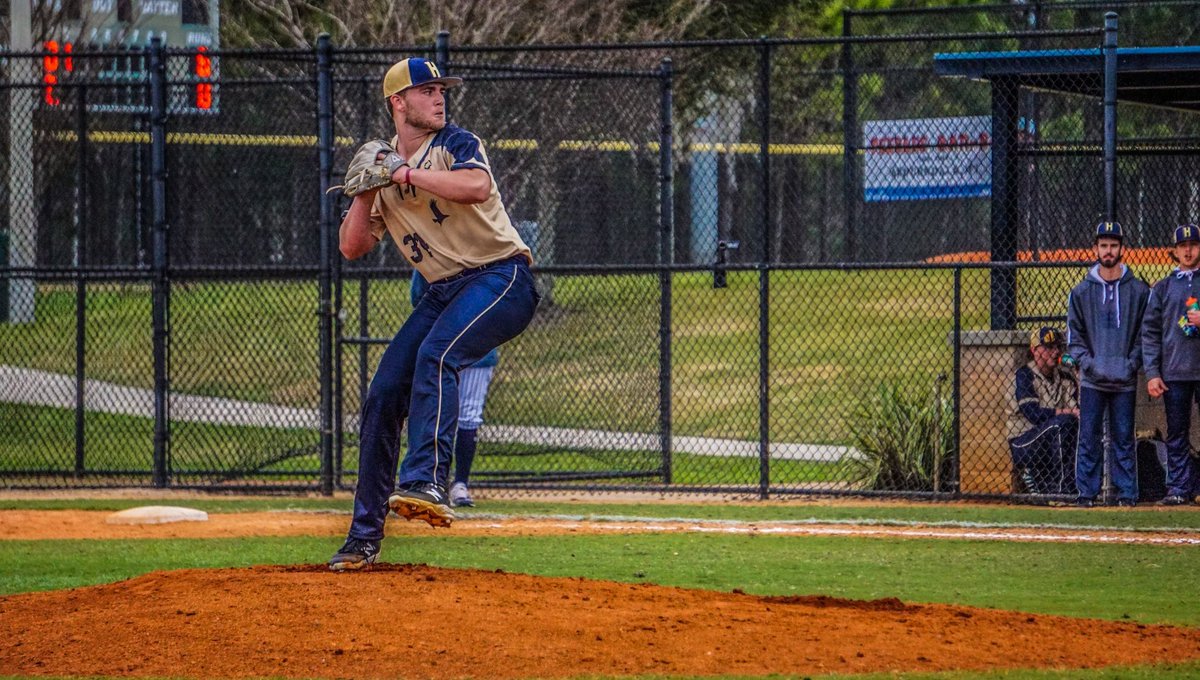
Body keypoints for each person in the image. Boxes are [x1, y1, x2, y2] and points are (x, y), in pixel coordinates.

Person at [329, 57, 539, 571]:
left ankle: (427, 479)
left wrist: (401, 172)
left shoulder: (455, 144)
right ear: (398, 102)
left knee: (437, 354)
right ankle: (362, 539)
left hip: (500, 277)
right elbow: (352, 247)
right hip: (442, 290)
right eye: (426, 90)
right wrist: (366, 190)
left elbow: (476, 187)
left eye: (441, 89)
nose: (439, 97)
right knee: (382, 396)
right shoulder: (384, 170)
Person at [1066, 220, 1150, 508]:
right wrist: (1087, 363)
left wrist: (1132, 363)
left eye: (1114, 245)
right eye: (1104, 245)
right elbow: (1074, 335)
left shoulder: (1138, 291)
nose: (1109, 251)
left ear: (1122, 249)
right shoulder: (1081, 292)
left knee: (1124, 438)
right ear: (1096, 249)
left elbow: (1145, 333)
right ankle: (1086, 494)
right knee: (1088, 437)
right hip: (1092, 379)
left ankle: (1127, 493)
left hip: (1124, 378)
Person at [410, 271, 497, 508]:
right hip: (440, 347)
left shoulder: (487, 254)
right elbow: (418, 295)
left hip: (478, 350)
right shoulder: (437, 251)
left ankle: (460, 484)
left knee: (469, 416)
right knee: (434, 412)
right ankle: (430, 482)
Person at [1141, 223, 1200, 506]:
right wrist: (1152, 372)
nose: (1188, 251)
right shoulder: (1163, 287)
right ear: (1175, 251)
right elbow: (1150, 333)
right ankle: (1178, 487)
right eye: (1183, 246)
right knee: (1176, 431)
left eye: (1193, 245)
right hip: (1175, 371)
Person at [1007, 327, 1079, 495]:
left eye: (1057, 347)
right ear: (1034, 350)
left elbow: (1077, 410)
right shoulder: (1024, 375)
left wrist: (1080, 378)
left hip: (1054, 434)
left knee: (1073, 426)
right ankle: (1063, 490)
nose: (1055, 352)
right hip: (1024, 440)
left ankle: (1051, 484)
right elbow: (1032, 413)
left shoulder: (1065, 377)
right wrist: (1064, 412)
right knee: (1063, 423)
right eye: (1048, 347)